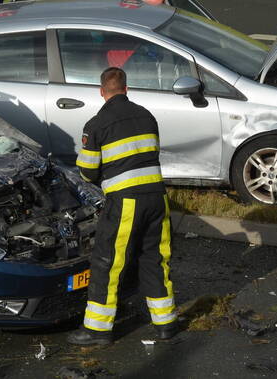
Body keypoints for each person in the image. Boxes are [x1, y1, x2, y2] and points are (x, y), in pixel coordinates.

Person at [67, 67, 178, 346]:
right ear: (126, 89)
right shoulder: (147, 116)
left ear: (102, 92)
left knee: (108, 262)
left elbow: (88, 172)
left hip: (127, 202)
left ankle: (97, 330)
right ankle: (166, 323)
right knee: (155, 257)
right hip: (158, 198)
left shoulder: (96, 125)